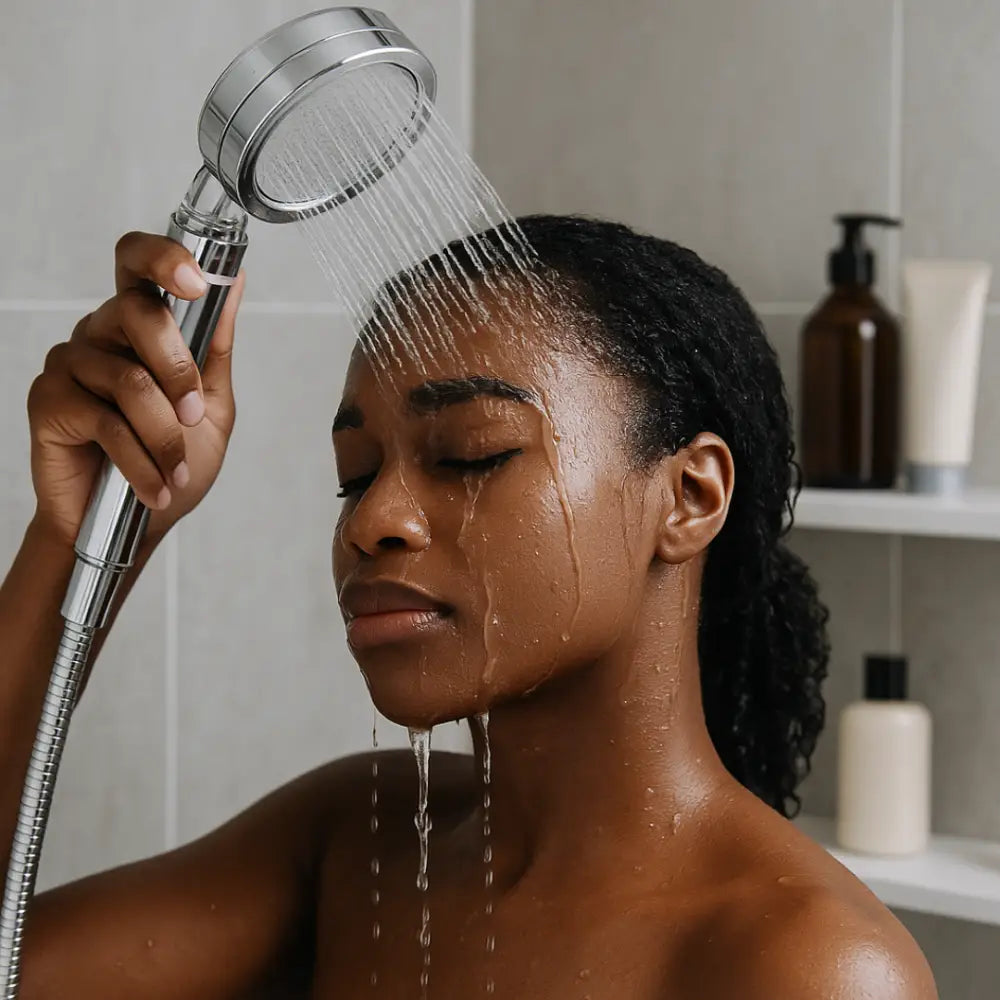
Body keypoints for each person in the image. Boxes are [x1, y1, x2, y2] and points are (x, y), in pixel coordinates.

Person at [0, 216, 936, 998]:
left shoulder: (808, 966)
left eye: (472, 455)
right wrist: (83, 533)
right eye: (353, 475)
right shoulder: (356, 847)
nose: (373, 519)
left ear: (688, 497)